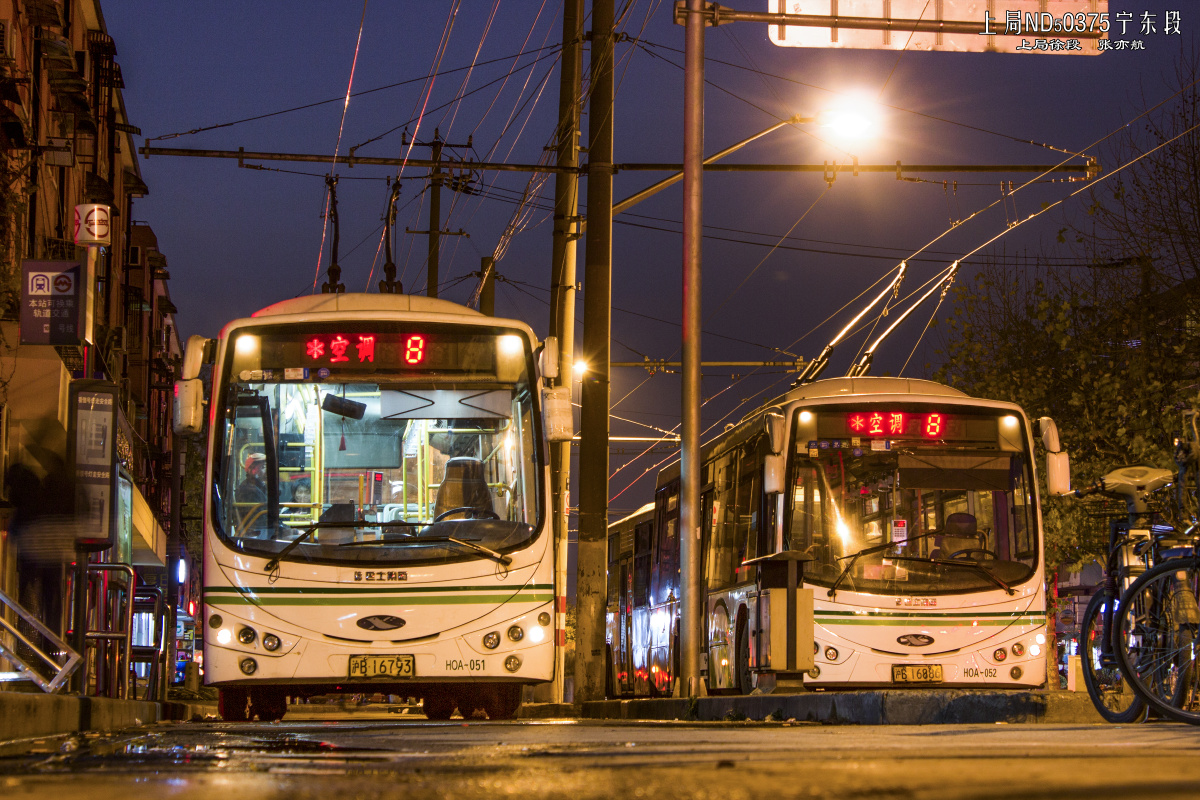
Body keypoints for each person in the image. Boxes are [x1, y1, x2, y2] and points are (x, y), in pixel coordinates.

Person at [236, 452, 269, 531]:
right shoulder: (249, 491)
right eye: (263, 467)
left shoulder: (258, 487)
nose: (267, 471)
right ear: (252, 470)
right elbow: (262, 522)